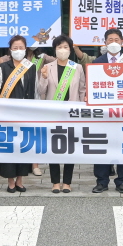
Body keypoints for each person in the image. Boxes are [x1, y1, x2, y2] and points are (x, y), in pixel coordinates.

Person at [36, 35, 85, 192]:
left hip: (71, 113)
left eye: (65, 47)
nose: (62, 50)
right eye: (59, 47)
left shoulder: (77, 67)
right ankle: (55, 182)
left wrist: (81, 110)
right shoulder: (47, 67)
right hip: (53, 113)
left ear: (70, 50)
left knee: (70, 147)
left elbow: (82, 90)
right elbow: (41, 90)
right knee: (54, 147)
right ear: (54, 49)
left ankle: (67, 182)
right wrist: (43, 77)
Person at [0, 34, 38, 193]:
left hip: (26, 114)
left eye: (21, 48)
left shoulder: (31, 67)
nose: (18, 50)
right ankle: (10, 181)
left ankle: (20, 180)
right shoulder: (4, 67)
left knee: (24, 146)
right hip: (8, 114)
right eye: (15, 48)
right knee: (10, 146)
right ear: (10, 50)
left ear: (26, 49)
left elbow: (35, 90)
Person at [89, 28, 123, 194]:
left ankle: (121, 181)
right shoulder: (97, 63)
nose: (113, 43)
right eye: (110, 40)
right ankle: (101, 181)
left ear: (122, 41)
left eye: (116, 40)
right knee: (102, 146)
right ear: (105, 43)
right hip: (103, 113)